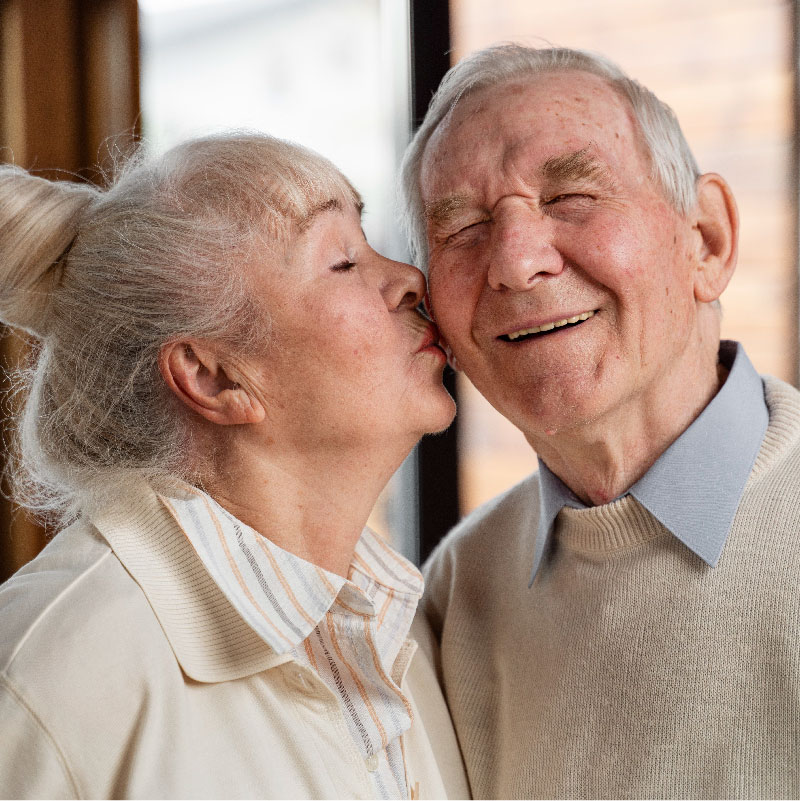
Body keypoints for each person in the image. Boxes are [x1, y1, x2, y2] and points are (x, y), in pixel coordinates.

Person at [0, 133, 470, 800]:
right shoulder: (50, 676)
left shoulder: (401, 633)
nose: (407, 279)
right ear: (213, 377)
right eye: (341, 261)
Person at [400, 43, 800, 799]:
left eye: (570, 197)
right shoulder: (456, 592)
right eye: (464, 229)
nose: (516, 262)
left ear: (706, 241)